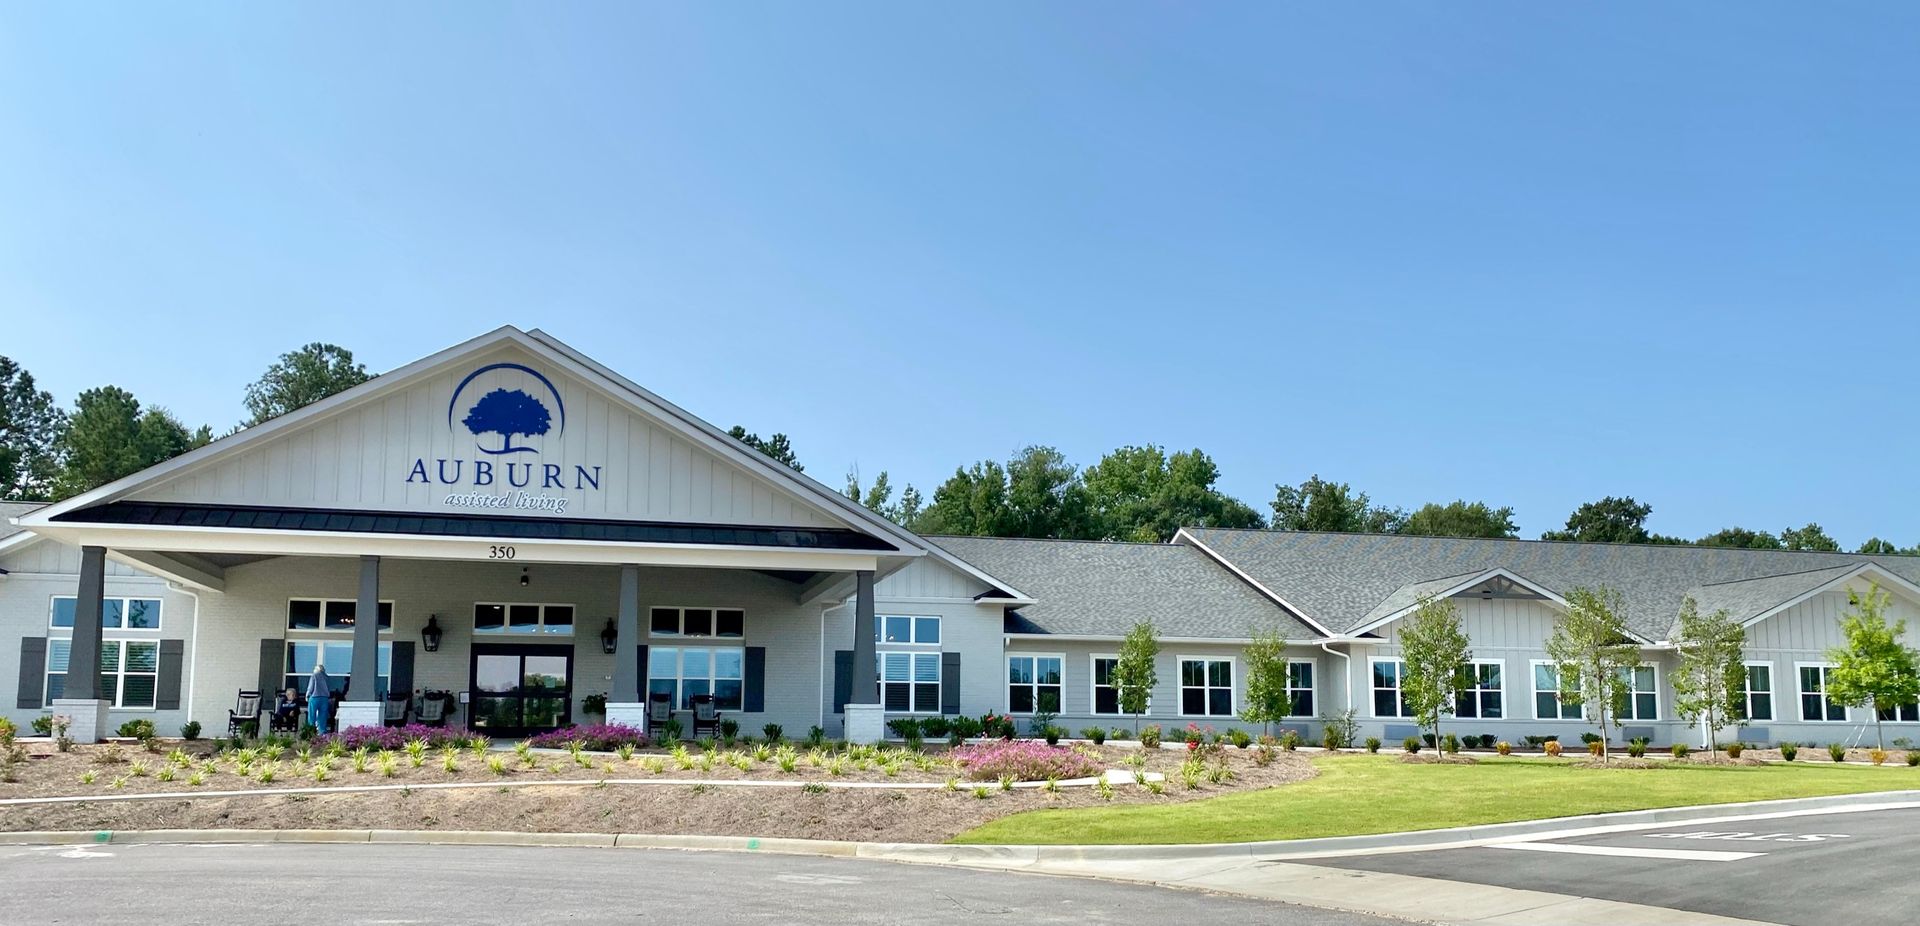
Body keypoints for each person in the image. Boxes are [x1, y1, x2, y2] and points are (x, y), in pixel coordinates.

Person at [306, 664, 332, 735]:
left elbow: (311, 687)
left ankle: (310, 731)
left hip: (315, 697)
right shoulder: (327, 677)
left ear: (317, 669)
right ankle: (322, 732)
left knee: (312, 715)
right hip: (324, 698)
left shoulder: (314, 676)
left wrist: (307, 694)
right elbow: (329, 687)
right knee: (323, 716)